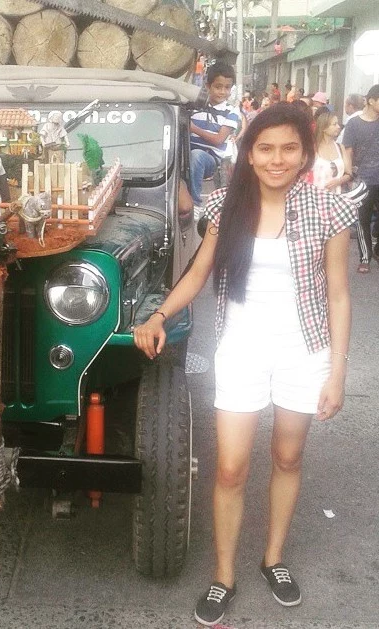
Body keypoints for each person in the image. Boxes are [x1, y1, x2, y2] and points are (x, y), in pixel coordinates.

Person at [133, 103, 356, 627]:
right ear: (249, 153)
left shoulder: (330, 210)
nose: (277, 159)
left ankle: (273, 559)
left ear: (304, 153)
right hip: (242, 347)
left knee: (285, 457)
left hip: (306, 349)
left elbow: (341, 296)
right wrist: (161, 314)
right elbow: (197, 272)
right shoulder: (225, 207)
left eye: (288, 149)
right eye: (265, 148)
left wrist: (337, 373)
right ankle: (224, 575)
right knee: (231, 466)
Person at [189, 61, 241, 216]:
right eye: (218, 87)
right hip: (186, 156)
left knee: (197, 155)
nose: (222, 92)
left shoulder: (232, 111)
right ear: (208, 86)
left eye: (227, 87)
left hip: (211, 161)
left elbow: (219, 139)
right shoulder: (194, 107)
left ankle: (196, 203)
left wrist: (192, 128)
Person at [342, 84, 379, 272]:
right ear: (371, 101)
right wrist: (349, 174)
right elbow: (348, 151)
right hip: (363, 178)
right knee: (363, 219)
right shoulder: (354, 123)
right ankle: (365, 258)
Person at [309, 112, 352, 194]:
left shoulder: (340, 147)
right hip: (315, 197)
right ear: (324, 128)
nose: (338, 127)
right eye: (334, 124)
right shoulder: (313, 148)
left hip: (337, 197)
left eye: (338, 124)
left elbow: (349, 173)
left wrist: (338, 181)